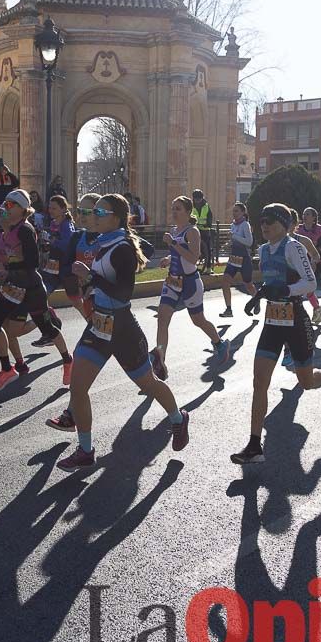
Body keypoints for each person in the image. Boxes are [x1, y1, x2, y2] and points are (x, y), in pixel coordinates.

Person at [50, 194, 190, 471]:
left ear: (116, 217)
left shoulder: (122, 247)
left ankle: (177, 418)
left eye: (99, 212)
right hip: (99, 325)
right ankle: (86, 451)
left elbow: (124, 292)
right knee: (78, 387)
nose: (93, 216)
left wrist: (90, 277)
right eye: (92, 212)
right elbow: (99, 286)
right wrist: (82, 283)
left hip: (123, 328)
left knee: (148, 384)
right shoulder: (103, 243)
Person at [231, 203, 321, 465]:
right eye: (262, 221)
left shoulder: (293, 247)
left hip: (294, 320)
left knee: (304, 381)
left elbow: (311, 282)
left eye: (270, 220)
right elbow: (271, 284)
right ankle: (255, 445)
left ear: (283, 224)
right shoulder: (263, 250)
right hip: (272, 320)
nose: (265, 225)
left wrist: (286, 292)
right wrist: (257, 297)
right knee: (260, 382)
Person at [0, 189, 74, 392]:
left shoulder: (25, 230)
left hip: (31, 287)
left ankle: (67, 360)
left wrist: (7, 269)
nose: (4, 211)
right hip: (12, 287)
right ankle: (8, 368)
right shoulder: (3, 236)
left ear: (22, 209)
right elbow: (1, 260)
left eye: (10, 206)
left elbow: (32, 262)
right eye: (4, 207)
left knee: (47, 329)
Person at [150, 195, 230, 380]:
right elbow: (178, 254)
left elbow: (194, 258)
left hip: (190, 283)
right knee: (162, 318)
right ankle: (160, 361)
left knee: (198, 320)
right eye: (172, 208)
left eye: (178, 208)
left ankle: (219, 344)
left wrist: (173, 244)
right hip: (172, 281)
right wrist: (168, 259)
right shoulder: (174, 230)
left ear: (188, 212)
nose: (174, 212)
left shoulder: (192, 231)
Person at [39, 195, 81, 329]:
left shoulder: (67, 225)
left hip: (66, 268)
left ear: (63, 209)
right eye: (49, 208)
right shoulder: (53, 223)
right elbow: (53, 244)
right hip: (52, 267)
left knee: (76, 301)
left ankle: (91, 321)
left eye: (54, 208)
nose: (50, 210)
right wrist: (46, 244)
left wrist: (52, 240)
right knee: (41, 295)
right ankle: (51, 326)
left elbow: (68, 244)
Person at [220, 202, 257, 317]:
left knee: (248, 285)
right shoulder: (233, 225)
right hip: (234, 258)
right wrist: (228, 244)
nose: (234, 213)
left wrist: (234, 237)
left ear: (243, 213)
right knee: (225, 281)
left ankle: (256, 299)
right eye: (233, 211)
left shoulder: (245, 225)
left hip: (244, 258)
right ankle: (228, 309)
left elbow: (249, 242)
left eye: (237, 211)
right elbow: (234, 240)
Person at [296, 207, 321, 319]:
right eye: (303, 214)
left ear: (314, 217)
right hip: (298, 260)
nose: (304, 216)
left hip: (314, 260)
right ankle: (316, 309)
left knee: (307, 286)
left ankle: (315, 310)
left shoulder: (320, 229)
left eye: (307, 214)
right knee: (303, 287)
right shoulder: (298, 229)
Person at [191, 188, 215, 273]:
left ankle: (208, 267)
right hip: (195, 228)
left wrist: (208, 223)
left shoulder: (206, 206)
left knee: (208, 247)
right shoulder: (191, 206)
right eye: (196, 198)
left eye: (199, 198)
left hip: (205, 229)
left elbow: (209, 216)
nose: (197, 200)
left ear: (202, 198)